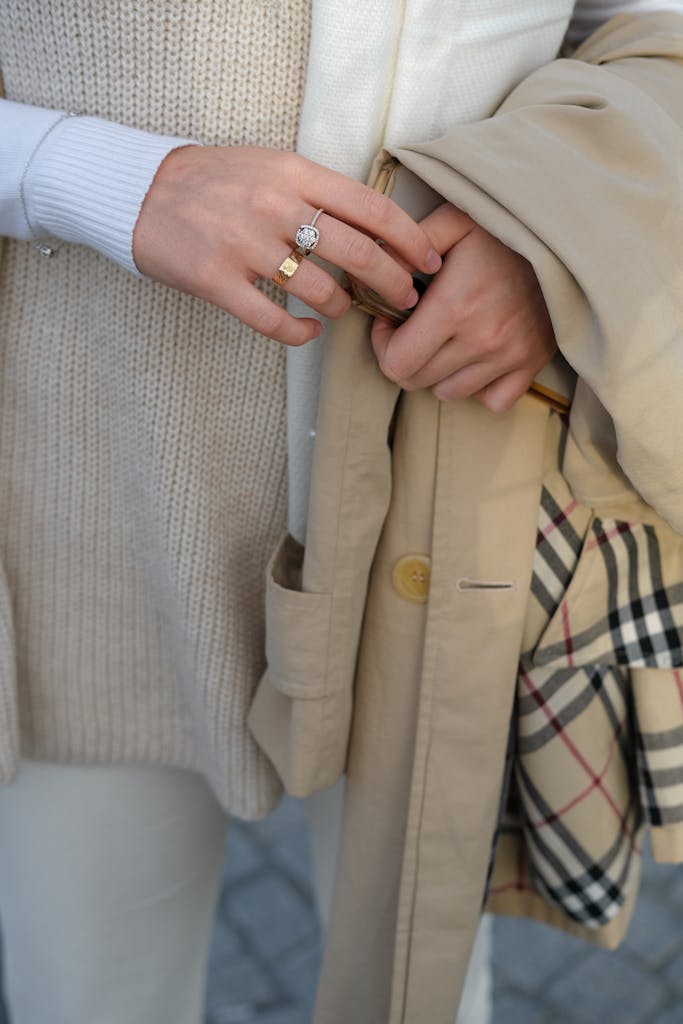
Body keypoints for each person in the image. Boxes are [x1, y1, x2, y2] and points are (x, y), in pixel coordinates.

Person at [0, 2, 681, 1023]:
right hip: (79, 498)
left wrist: (553, 237)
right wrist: (88, 174)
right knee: (90, 987)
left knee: (424, 980)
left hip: (455, 502)